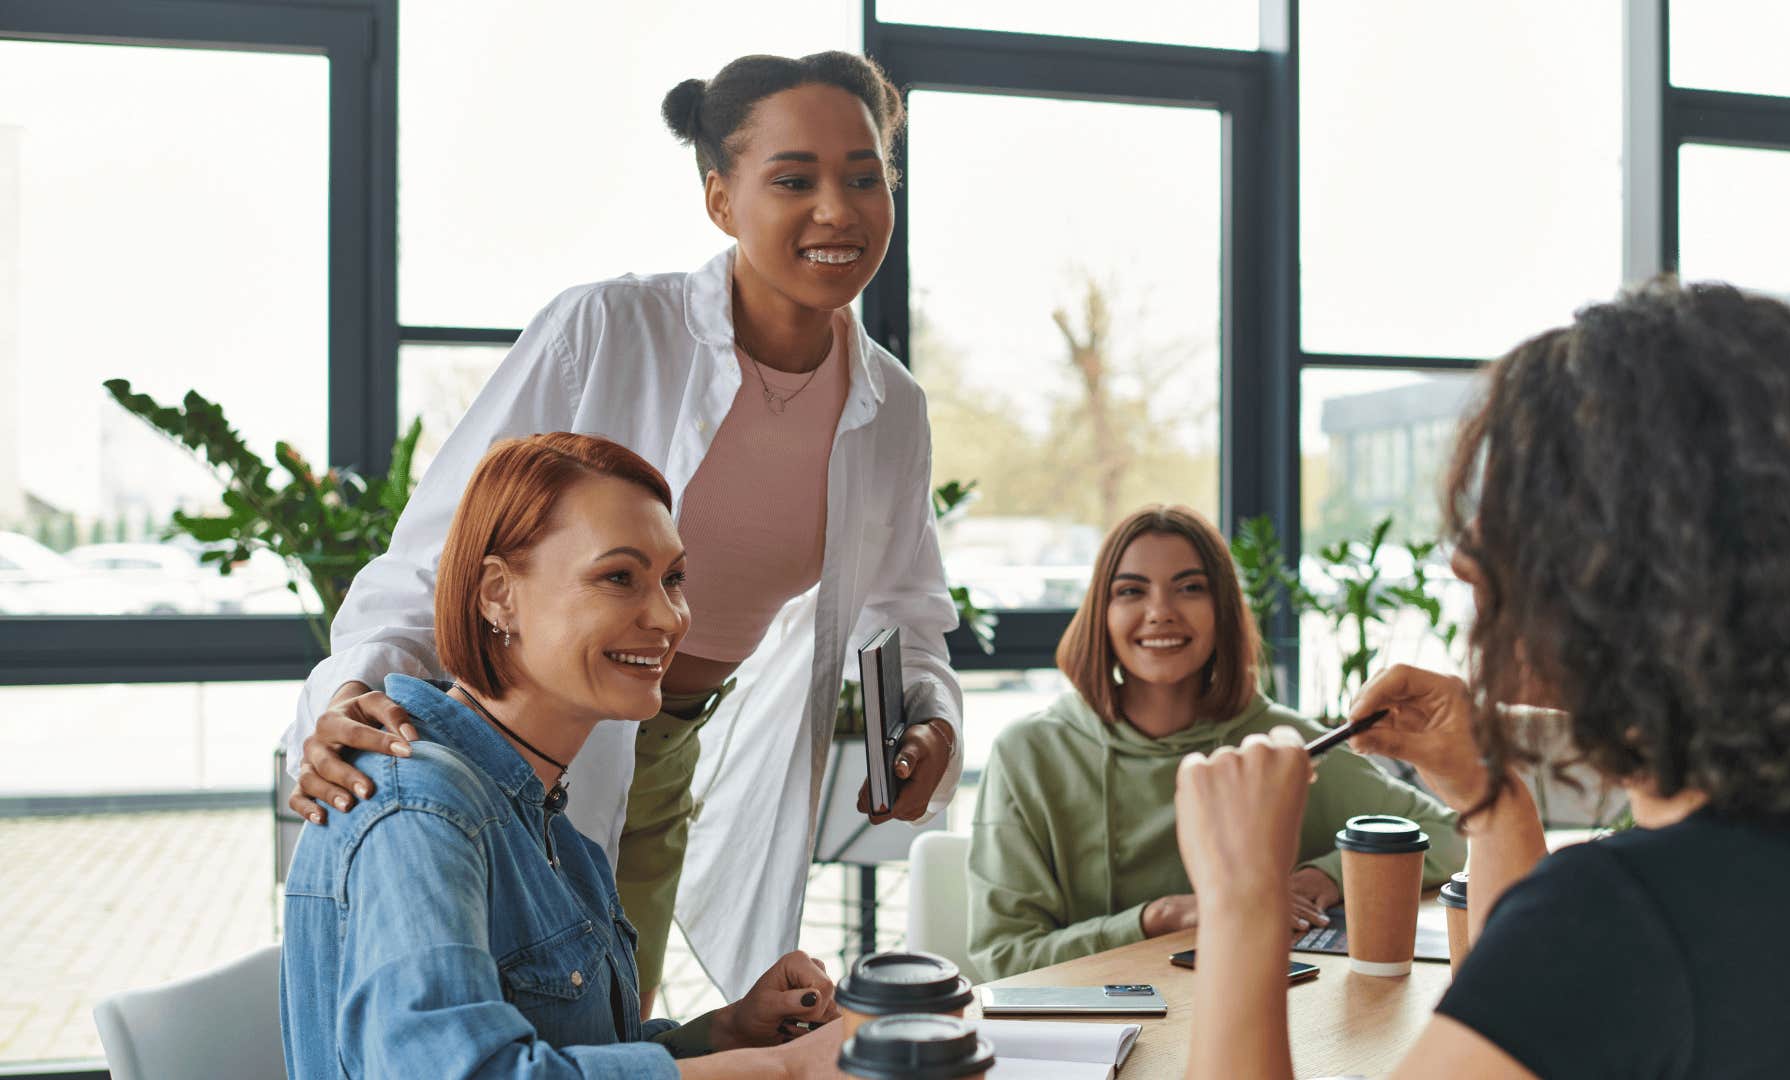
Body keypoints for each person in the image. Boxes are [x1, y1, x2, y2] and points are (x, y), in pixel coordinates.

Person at [278, 51, 963, 1006]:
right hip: (510, 748)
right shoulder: (607, 331)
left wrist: (928, 719)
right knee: (495, 1035)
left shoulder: (892, 406)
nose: (838, 210)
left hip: (668, 743)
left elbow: (907, 610)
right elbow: (441, 555)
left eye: (865, 176)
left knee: (612, 1026)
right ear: (721, 200)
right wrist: (344, 693)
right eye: (793, 180)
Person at [1175, 281, 1790, 1078]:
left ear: (1646, 572)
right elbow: (1528, 1014)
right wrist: (1487, 795)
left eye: (1524, 508)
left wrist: (1242, 903)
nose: (1467, 554)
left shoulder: (1621, 924)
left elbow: (1568, 974)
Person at [280, 433, 848, 1078]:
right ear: (498, 593)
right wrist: (791, 1069)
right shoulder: (421, 810)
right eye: (618, 577)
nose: (668, 617)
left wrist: (728, 1032)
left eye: (674, 579)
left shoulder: (551, 826)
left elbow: (569, 1055)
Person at [966, 504, 1464, 981]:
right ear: (1101, 613)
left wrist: (1320, 878)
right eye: (1131, 591)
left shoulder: (1282, 742)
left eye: (1190, 587)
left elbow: (1452, 837)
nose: (1160, 612)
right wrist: (1161, 916)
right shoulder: (1028, 753)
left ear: (1222, 607)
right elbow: (1007, 957)